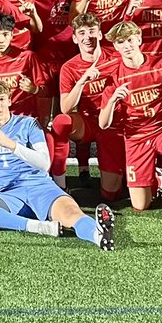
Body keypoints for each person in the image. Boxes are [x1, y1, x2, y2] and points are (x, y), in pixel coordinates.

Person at [0, 80, 115, 250]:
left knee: (71, 212)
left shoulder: (28, 124)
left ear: (10, 101)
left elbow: (44, 163)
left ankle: (97, 235)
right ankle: (40, 227)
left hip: (41, 188)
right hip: (9, 195)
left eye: (2, 99)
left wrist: (12, 145)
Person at [99, 22, 162, 220]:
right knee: (140, 205)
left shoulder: (161, 65)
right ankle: (156, 178)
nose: (127, 45)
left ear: (139, 39)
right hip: (136, 137)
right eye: (121, 42)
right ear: (116, 47)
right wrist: (112, 100)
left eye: (129, 40)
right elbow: (103, 123)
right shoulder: (114, 76)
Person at [51, 13, 124, 200]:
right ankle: (60, 185)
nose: (87, 37)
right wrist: (82, 81)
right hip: (88, 123)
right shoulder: (69, 67)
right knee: (61, 122)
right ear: (75, 38)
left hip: (114, 124)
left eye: (92, 31)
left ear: (100, 34)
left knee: (111, 194)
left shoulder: (117, 58)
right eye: (82, 33)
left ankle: (148, 173)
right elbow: (66, 108)